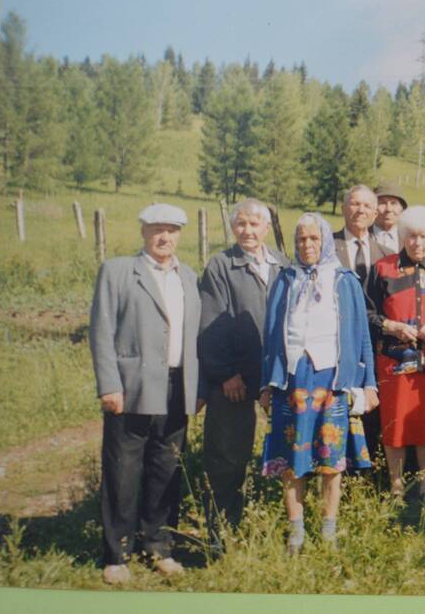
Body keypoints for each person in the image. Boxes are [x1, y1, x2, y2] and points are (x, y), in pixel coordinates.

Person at [90, 203, 204, 585]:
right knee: (123, 470)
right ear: (143, 232)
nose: (164, 237)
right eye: (156, 229)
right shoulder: (119, 272)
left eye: (171, 230)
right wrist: (109, 384)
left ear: (179, 234)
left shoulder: (188, 277)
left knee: (165, 469)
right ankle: (117, 554)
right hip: (131, 389)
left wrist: (196, 388)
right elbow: (101, 332)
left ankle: (158, 546)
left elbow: (194, 338)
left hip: (176, 388)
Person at [259, 213, 379, 552]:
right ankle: (296, 531)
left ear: (325, 241)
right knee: (291, 461)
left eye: (314, 239)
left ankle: (328, 529)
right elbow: (271, 334)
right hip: (292, 379)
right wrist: (267, 384)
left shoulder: (344, 280)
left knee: (331, 461)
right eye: (301, 240)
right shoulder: (285, 279)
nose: (307, 245)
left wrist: (369, 384)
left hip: (333, 379)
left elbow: (362, 337)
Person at [198, 198, 288, 541]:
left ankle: (279, 524)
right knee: (228, 455)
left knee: (285, 448)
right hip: (235, 377)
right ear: (233, 227)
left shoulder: (281, 263)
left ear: (266, 228)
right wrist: (224, 373)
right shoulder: (221, 265)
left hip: (276, 376)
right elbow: (211, 323)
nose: (248, 231)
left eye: (254, 224)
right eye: (242, 224)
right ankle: (221, 535)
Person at [367, 206, 425, 498]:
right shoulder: (383, 268)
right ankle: (396, 487)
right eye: (411, 236)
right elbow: (368, 313)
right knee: (395, 425)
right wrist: (391, 325)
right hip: (394, 361)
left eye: (423, 236)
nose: (416, 242)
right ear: (403, 236)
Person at [333, 184, 389, 293]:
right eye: (355, 204)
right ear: (343, 209)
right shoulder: (327, 246)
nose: (361, 210)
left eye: (367, 206)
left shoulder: (386, 255)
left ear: (375, 214)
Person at [372, 183, 407, 254]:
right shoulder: (361, 236)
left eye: (393, 203)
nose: (388, 209)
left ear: (402, 209)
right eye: (382, 203)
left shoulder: (409, 237)